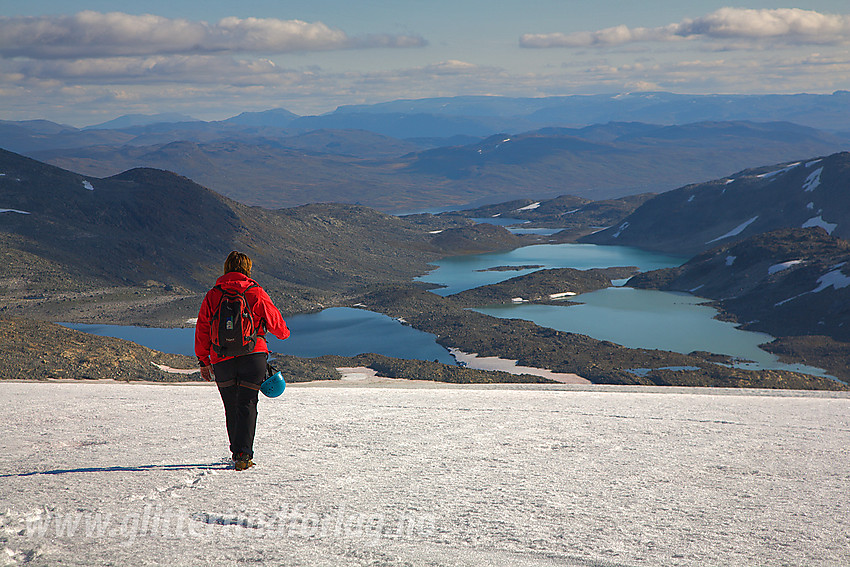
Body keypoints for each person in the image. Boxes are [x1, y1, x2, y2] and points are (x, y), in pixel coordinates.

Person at [195, 251, 290, 471]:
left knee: (231, 405)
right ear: (247, 269)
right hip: (253, 357)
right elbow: (278, 326)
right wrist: (284, 333)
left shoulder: (213, 295)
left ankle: (236, 451)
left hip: (221, 358)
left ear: (227, 268)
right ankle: (243, 456)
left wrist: (203, 360)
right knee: (247, 403)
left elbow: (202, 329)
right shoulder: (255, 292)